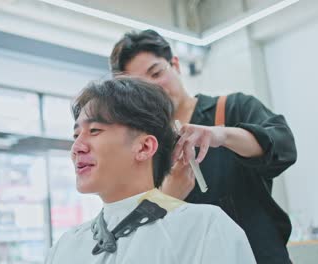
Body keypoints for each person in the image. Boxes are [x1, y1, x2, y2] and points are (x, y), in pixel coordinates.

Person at [109, 29, 297, 264]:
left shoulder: (231, 108)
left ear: (175, 64)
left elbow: (283, 144)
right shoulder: (145, 150)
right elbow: (137, 230)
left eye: (156, 73)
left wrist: (221, 135)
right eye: (141, 86)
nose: (154, 90)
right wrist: (168, 196)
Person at [45, 78, 256, 263]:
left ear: (145, 147)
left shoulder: (204, 229)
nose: (77, 147)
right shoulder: (66, 246)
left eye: (94, 131)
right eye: (75, 135)